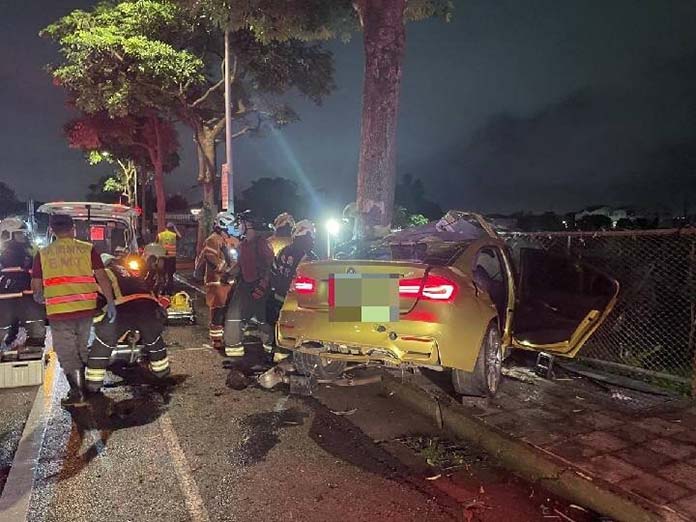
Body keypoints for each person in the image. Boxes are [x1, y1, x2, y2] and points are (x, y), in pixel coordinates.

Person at [31, 214, 116, 407]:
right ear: (73, 229)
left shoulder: (43, 254)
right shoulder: (87, 249)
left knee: (67, 351)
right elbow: (103, 278)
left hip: (59, 312)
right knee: (82, 347)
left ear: (52, 230)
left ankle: (78, 394)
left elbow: (36, 285)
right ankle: (88, 386)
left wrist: (39, 296)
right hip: (86, 309)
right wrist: (110, 302)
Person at [85, 254, 169, 392]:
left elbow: (95, 299)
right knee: (154, 340)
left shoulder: (101, 274)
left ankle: (93, 385)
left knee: (102, 344)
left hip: (123, 309)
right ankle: (162, 375)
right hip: (150, 308)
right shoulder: (130, 272)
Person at [265, 220, 317, 362]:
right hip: (294, 300)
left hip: (278, 296)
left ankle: (274, 351)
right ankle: (285, 356)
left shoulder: (283, 250)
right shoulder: (309, 257)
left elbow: (273, 271)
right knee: (292, 328)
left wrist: (276, 288)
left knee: (277, 324)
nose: (312, 241)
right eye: (311, 237)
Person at [223, 211, 274, 358]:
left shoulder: (261, 244)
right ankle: (235, 352)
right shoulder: (243, 245)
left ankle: (270, 350)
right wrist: (228, 274)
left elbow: (270, 266)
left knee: (263, 320)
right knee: (234, 316)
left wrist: (262, 286)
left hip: (259, 287)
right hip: (245, 285)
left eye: (241, 223)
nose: (238, 226)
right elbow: (240, 265)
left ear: (249, 225)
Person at [198, 213, 239, 350]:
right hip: (217, 282)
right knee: (218, 310)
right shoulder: (213, 240)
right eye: (231, 225)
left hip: (230, 281)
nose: (234, 227)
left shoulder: (233, 240)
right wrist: (226, 269)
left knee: (229, 310)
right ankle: (217, 339)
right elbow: (211, 258)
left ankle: (227, 335)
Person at [0, 227, 45, 348]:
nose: (23, 237)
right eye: (20, 234)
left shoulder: (32, 250)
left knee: (35, 330)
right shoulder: (30, 251)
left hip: (22, 297)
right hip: (18, 298)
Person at [157, 222, 181, 294]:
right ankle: (170, 290)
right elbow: (180, 237)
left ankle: (162, 289)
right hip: (171, 257)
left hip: (162, 257)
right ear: (172, 228)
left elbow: (156, 244)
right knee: (170, 274)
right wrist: (175, 229)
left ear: (166, 228)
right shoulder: (173, 235)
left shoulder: (160, 235)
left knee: (162, 273)